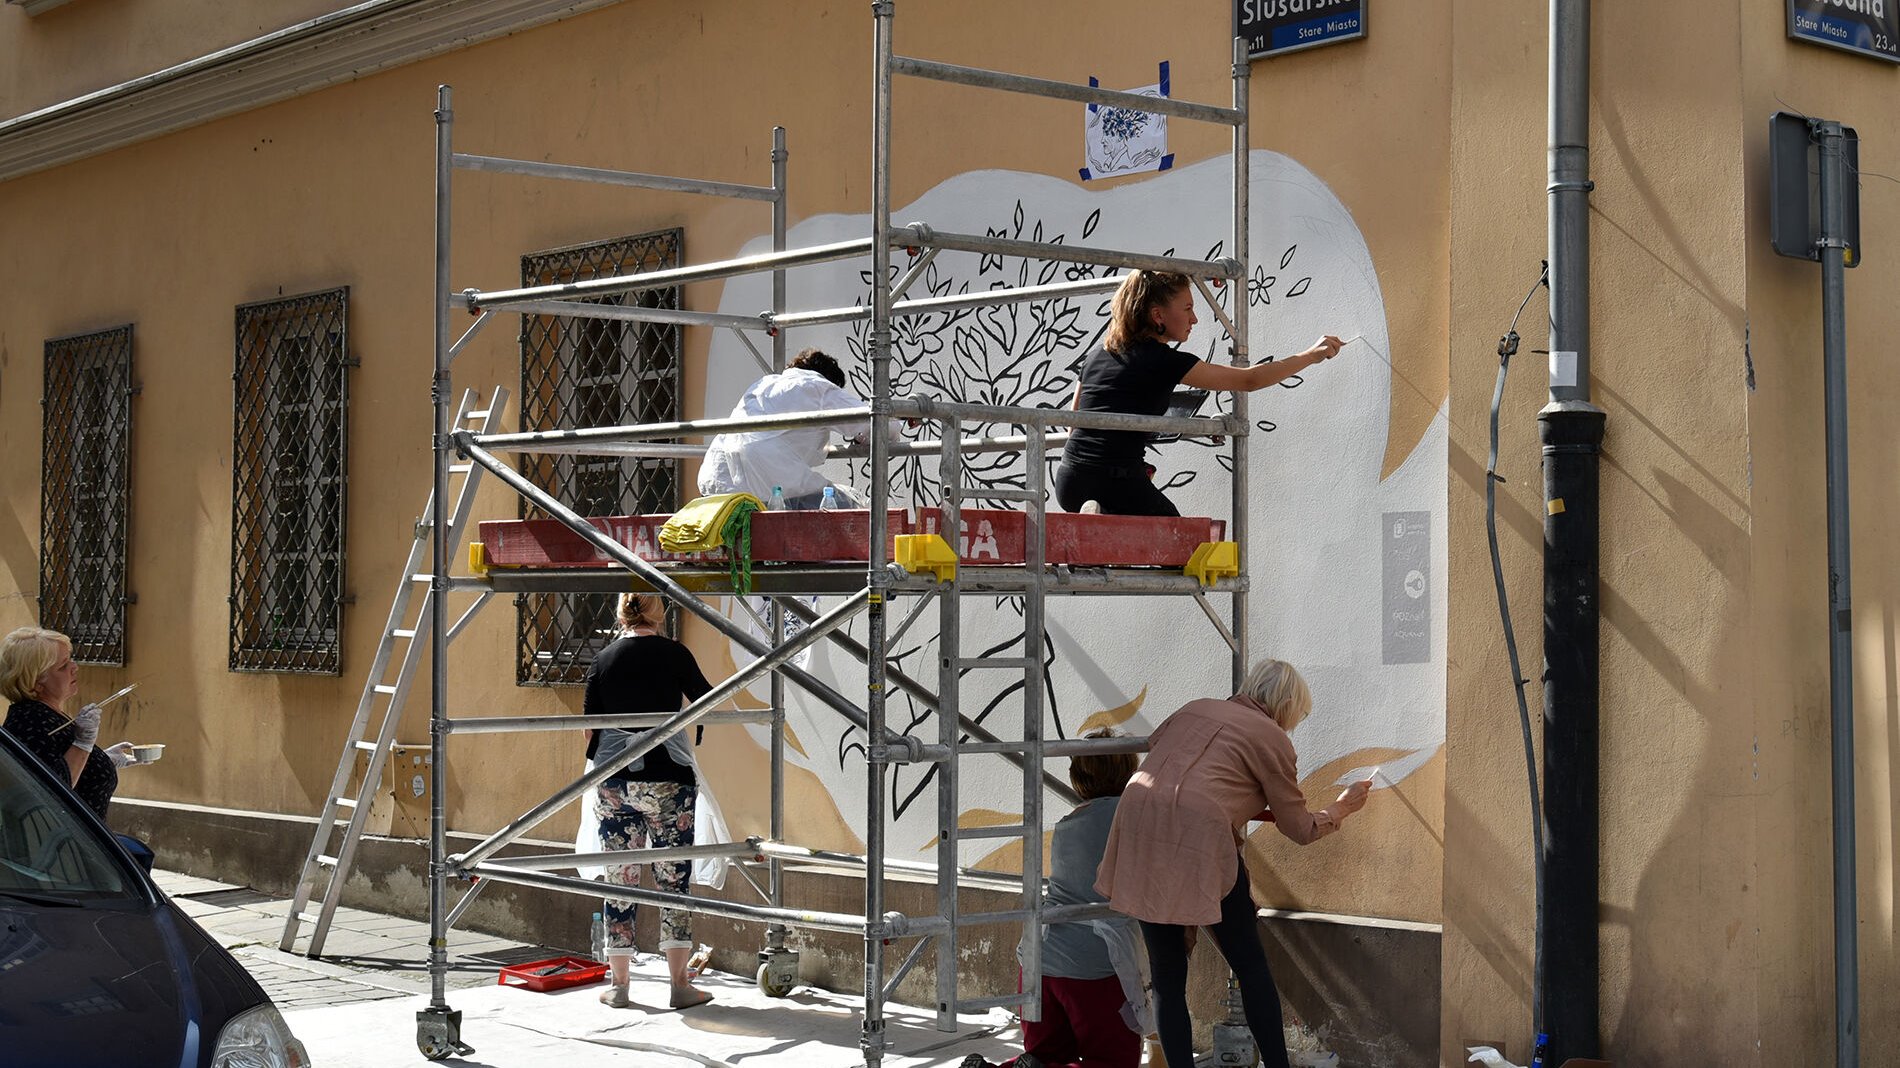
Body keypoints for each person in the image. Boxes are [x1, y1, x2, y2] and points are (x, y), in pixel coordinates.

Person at [1095, 659, 1373, 1068]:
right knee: (1250, 965)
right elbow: (1298, 828)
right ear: (1288, 705)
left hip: (1139, 823)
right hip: (1201, 842)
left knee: (1168, 977)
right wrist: (1341, 809)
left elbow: (1175, 762)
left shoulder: (1194, 708)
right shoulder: (1272, 737)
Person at [1055, 270, 1347, 516]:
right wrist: (1310, 355)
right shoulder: (1164, 360)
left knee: (1111, 560)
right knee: (1186, 549)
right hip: (1114, 480)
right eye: (1187, 309)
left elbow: (1076, 422)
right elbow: (1250, 380)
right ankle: (1103, 515)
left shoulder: (1099, 355)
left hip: (1069, 480)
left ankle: (1098, 524)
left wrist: (1201, 425)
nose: (1194, 319)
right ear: (1158, 315)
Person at [963, 728, 1146, 1068]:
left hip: (1038, 958)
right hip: (1093, 963)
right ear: (1129, 771)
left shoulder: (1067, 824)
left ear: (1077, 778)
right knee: (1111, 1061)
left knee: (1045, 1056)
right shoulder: (1133, 816)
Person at [585, 593, 716, 1010]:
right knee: (672, 880)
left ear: (621, 612)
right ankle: (679, 985)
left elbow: (589, 730)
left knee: (619, 880)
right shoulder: (675, 653)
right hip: (668, 782)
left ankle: (620, 985)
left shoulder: (603, 658)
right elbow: (707, 699)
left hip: (616, 782)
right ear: (661, 614)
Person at [698, 347, 906, 509]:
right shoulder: (816, 386)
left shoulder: (763, 384)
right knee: (849, 511)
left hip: (717, 479)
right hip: (765, 481)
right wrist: (903, 416)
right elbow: (878, 423)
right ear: (830, 381)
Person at [0, 626, 137, 822]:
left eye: (70, 659)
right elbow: (49, 794)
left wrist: (102, 759)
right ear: (36, 682)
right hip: (62, 849)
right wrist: (83, 744)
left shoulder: (45, 713)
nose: (75, 667)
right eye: (63, 666)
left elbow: (58, 760)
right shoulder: (30, 721)